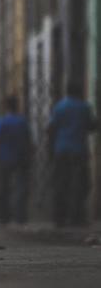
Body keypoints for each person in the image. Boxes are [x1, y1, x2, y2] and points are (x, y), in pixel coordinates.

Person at [49, 80, 98, 226]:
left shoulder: (59, 107)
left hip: (61, 149)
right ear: (79, 92)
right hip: (79, 150)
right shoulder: (84, 107)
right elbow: (91, 125)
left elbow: (52, 127)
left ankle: (59, 218)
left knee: (61, 183)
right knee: (81, 183)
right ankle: (77, 217)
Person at [0, 95, 31, 225]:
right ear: (17, 106)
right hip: (20, 158)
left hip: (4, 158)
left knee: (3, 188)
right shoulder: (22, 122)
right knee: (21, 188)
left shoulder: (0, 122)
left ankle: (4, 217)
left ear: (5, 107)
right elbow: (28, 141)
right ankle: (20, 217)